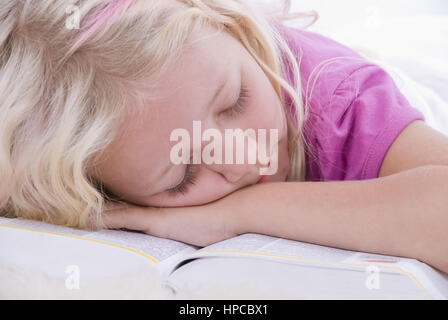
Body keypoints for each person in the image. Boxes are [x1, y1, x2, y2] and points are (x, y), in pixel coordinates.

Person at [1, 0, 447, 274]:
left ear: (235, 27)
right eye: (184, 174)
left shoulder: (342, 102)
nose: (246, 159)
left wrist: (242, 211)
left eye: (235, 102)